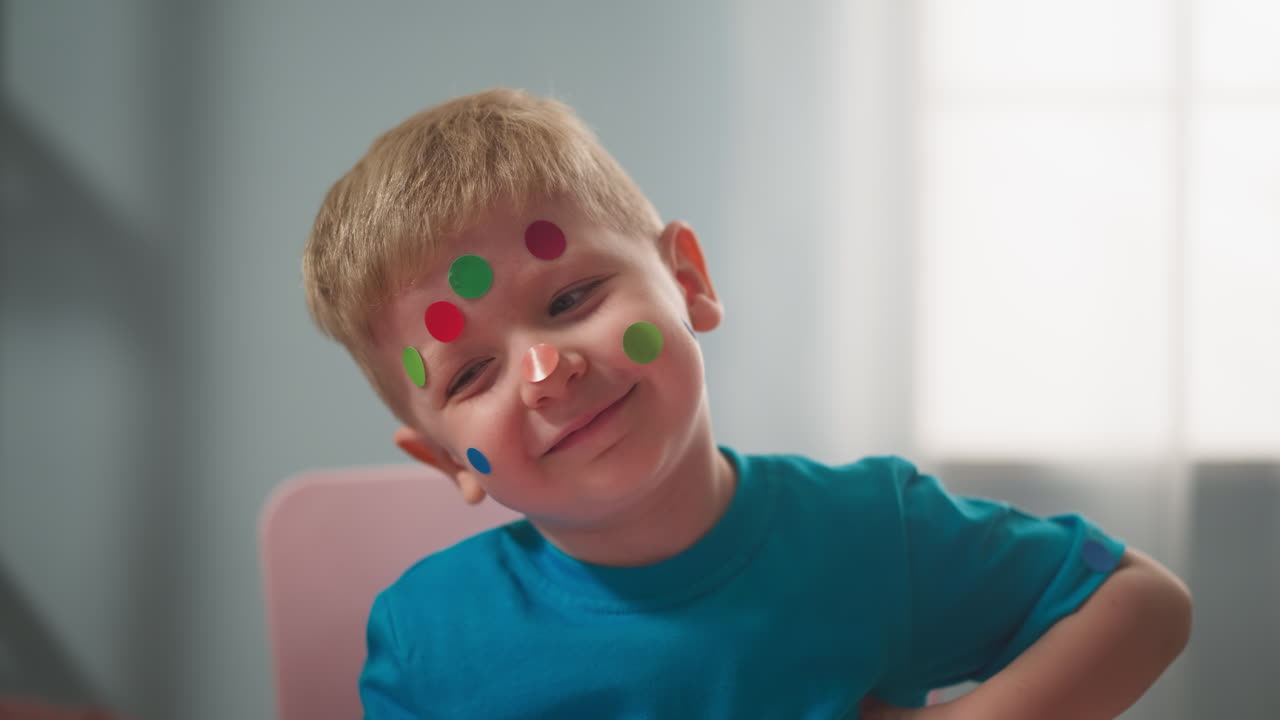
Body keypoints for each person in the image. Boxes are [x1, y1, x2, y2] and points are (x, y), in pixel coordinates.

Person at [302, 88, 1191, 719]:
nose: (545, 371)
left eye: (571, 300)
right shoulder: (426, 638)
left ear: (687, 280)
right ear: (449, 461)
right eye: (471, 375)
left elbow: (1143, 602)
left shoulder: (874, 533)